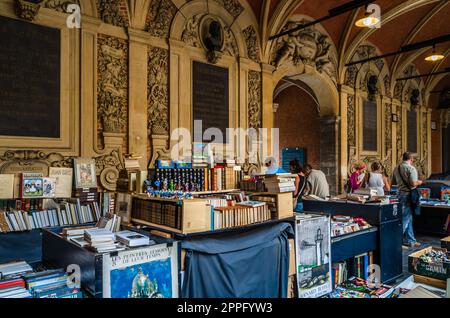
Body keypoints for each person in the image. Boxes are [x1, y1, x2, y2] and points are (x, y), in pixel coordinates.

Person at [391, 152, 423, 248]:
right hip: (409, 196)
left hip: (399, 194)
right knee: (405, 219)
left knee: (408, 217)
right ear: (411, 159)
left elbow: (392, 182)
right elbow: (413, 183)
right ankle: (395, 242)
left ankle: (411, 241)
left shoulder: (397, 168)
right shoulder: (411, 168)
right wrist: (420, 182)